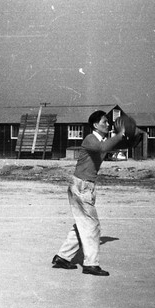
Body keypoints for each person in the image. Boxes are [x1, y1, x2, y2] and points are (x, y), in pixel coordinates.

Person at [52, 110, 126, 276]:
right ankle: (91, 264)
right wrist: (120, 134)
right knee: (92, 226)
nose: (108, 124)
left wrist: (127, 136)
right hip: (82, 186)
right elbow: (103, 147)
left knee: (82, 224)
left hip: (83, 185)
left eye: (108, 122)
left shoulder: (102, 140)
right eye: (104, 122)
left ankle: (62, 257)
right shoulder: (90, 139)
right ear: (95, 125)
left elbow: (112, 146)